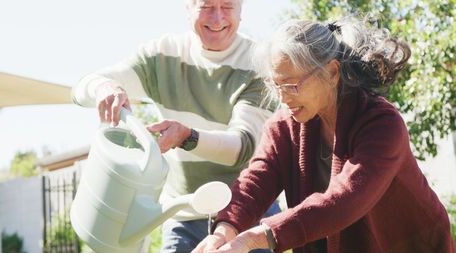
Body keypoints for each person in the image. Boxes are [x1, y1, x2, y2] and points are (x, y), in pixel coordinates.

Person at [193, 17, 456, 253]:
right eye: (276, 85)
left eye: (292, 85)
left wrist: (253, 239)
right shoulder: (284, 126)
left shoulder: (381, 124)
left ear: (331, 72)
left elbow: (344, 201)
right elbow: (256, 181)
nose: (283, 98)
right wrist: (224, 230)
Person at [72, 0, 279, 252]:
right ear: (188, 7)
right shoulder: (162, 55)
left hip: (246, 211)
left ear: (241, 10)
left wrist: (187, 137)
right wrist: (105, 87)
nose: (217, 18)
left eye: (227, 6)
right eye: (206, 6)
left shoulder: (257, 64)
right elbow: (83, 87)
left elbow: (242, 148)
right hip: (181, 212)